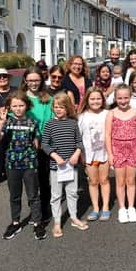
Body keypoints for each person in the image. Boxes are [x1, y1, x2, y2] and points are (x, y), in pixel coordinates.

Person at [0, 91, 45, 240]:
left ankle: (37, 223)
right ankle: (15, 222)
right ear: (9, 107)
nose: (18, 108)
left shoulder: (32, 123)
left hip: (29, 164)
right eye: (14, 106)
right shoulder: (7, 122)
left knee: (33, 195)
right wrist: (0, 124)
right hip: (12, 164)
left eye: (21, 105)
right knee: (15, 196)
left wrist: (35, 157)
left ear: (27, 106)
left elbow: (36, 143)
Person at [41, 92, 87, 237]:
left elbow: (79, 142)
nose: (58, 109)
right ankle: (57, 222)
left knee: (72, 193)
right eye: (56, 107)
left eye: (61, 107)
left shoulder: (73, 124)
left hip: (71, 166)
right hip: (56, 167)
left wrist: (76, 154)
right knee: (56, 195)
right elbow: (44, 144)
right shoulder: (50, 124)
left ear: (67, 108)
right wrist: (55, 156)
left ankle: (73, 217)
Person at [105, 84, 136, 224]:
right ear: (115, 98)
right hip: (117, 150)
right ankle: (122, 208)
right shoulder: (111, 113)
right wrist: (110, 154)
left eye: (126, 98)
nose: (123, 101)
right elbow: (108, 135)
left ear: (130, 97)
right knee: (120, 181)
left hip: (133, 149)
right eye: (120, 98)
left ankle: (131, 207)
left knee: (131, 181)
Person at [21, 69, 55, 222]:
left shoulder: (48, 99)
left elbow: (52, 120)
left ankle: (44, 208)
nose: (34, 83)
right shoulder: (21, 98)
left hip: (44, 144)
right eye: (30, 80)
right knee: (30, 180)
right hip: (25, 145)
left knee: (43, 178)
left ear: (41, 81)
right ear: (25, 81)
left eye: (36, 80)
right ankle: (34, 208)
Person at [78, 87, 111, 221]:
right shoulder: (82, 116)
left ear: (102, 100)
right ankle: (96, 208)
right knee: (93, 181)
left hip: (104, 153)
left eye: (98, 98)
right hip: (89, 155)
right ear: (87, 100)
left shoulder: (107, 114)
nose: (95, 101)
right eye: (92, 99)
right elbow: (78, 137)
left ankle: (106, 207)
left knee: (104, 180)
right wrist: (81, 155)